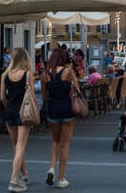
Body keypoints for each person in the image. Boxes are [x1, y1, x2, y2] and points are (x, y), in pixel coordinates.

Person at [0, 48, 37, 192]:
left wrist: (9, 105)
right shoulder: (28, 75)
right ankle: (14, 180)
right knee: (21, 147)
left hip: (9, 111)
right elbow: (32, 95)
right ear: (25, 59)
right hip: (24, 112)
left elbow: (2, 97)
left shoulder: (5, 75)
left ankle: (24, 175)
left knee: (16, 147)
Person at [42, 49, 80, 188]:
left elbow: (45, 96)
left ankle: (51, 168)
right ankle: (61, 178)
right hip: (67, 109)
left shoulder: (45, 74)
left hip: (53, 109)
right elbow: (77, 90)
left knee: (55, 141)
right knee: (65, 144)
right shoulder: (68, 71)